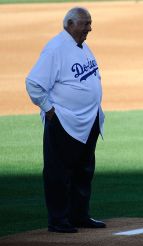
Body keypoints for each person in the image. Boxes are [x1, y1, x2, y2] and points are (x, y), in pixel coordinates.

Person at [26, 7, 106, 233]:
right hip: (64, 121)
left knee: (83, 171)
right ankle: (58, 220)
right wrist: (49, 110)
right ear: (70, 24)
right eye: (85, 24)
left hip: (87, 121)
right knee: (59, 173)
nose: (89, 28)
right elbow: (33, 83)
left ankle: (79, 215)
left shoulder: (81, 46)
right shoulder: (55, 49)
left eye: (90, 23)